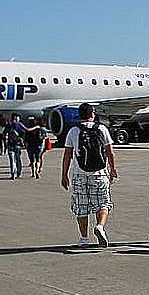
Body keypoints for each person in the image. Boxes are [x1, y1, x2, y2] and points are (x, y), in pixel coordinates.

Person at [60, 103, 117, 246]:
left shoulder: (73, 131)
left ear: (79, 115)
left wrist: (64, 175)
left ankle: (84, 238)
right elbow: (110, 151)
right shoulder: (102, 129)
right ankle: (100, 226)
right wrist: (113, 169)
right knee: (103, 203)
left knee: (81, 207)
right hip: (99, 173)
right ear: (92, 114)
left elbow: (67, 155)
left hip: (79, 174)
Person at [3, 113, 27, 179]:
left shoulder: (8, 125)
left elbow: (4, 133)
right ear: (16, 117)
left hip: (10, 145)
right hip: (17, 145)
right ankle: (19, 173)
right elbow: (25, 131)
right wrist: (22, 139)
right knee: (18, 159)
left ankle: (13, 173)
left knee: (11, 160)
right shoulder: (19, 124)